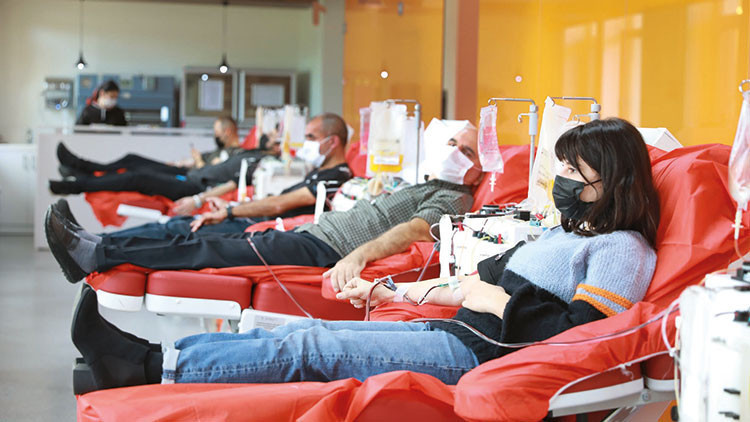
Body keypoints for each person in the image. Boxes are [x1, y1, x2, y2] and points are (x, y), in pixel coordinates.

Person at [68, 117, 660, 391]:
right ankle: (149, 358)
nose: (559, 179)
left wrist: (489, 297)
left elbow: (582, 338)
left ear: (611, 177)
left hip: (478, 356)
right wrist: (388, 290)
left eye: (571, 169)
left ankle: (145, 369)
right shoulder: (563, 235)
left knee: (310, 349)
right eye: (559, 166)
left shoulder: (622, 250)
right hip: (455, 329)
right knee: (295, 335)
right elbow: (463, 286)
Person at [45, 125, 482, 288]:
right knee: (196, 238)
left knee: (206, 248)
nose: (453, 152)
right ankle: (96, 245)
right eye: (451, 143)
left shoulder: (455, 198)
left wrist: (358, 256)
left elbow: (414, 231)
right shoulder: (428, 183)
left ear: (484, 165)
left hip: (324, 249)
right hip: (311, 234)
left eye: (465, 150)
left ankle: (96, 254)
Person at [56, 113, 353, 239]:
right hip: (204, 184)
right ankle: (80, 174)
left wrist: (215, 205)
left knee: (161, 211)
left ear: (332, 141)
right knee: (136, 166)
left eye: (309, 137)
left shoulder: (322, 174)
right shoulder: (250, 153)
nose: (296, 143)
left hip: (200, 187)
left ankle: (91, 229)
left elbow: (277, 203)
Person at [49, 116, 264, 201]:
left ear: (227, 131)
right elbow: (205, 164)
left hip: (193, 185)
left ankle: (75, 184)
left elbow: (218, 176)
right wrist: (187, 162)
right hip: (186, 172)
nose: (215, 135)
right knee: (132, 159)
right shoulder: (219, 152)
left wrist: (199, 163)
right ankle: (82, 167)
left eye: (217, 132)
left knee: (136, 177)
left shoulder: (236, 155)